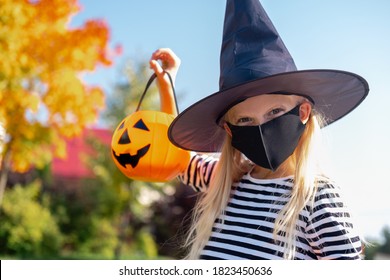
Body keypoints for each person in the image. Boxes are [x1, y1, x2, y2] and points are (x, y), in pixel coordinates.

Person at [149, 0, 368, 260]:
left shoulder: (319, 199)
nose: (261, 127)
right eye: (244, 120)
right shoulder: (224, 180)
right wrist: (167, 85)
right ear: (230, 131)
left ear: (303, 112)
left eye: (274, 112)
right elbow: (174, 159)